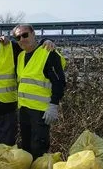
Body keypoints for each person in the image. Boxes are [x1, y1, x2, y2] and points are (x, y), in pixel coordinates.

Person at [0, 20, 56, 152]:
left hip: (7, 108)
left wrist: (46, 40)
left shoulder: (11, 47)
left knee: (8, 148)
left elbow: (31, 46)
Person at [14, 23, 66, 160]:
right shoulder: (20, 57)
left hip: (41, 111)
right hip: (24, 110)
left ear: (33, 34)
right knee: (26, 148)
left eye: (25, 35)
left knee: (39, 149)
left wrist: (54, 104)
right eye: (18, 37)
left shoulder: (48, 53)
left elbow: (59, 81)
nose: (22, 39)